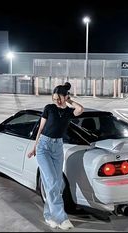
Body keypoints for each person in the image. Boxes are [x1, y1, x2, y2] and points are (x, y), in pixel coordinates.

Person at [28, 82, 84, 230]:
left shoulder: (68, 112)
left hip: (57, 147)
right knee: (52, 181)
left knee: (56, 184)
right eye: (55, 98)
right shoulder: (49, 108)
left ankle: (48, 216)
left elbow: (80, 109)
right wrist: (35, 147)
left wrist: (69, 100)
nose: (57, 101)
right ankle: (61, 218)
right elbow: (40, 128)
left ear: (66, 97)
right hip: (43, 147)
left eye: (60, 98)